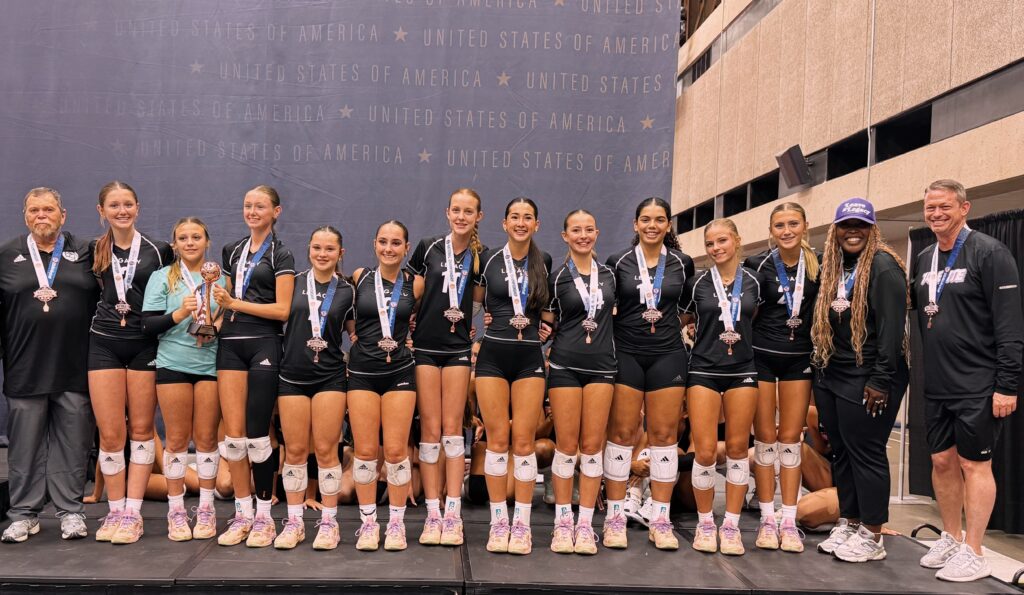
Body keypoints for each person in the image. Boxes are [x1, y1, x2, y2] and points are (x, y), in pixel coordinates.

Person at [911, 180, 1022, 582]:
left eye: (945, 206)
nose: (936, 213)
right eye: (930, 207)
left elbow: (1009, 324)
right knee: (941, 461)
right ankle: (952, 537)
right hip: (937, 382)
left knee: (974, 464)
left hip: (978, 382)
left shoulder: (990, 252)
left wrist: (1007, 384)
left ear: (964, 208)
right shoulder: (925, 257)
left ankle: (975, 551)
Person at [812, 197, 909, 563]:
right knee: (842, 451)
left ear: (872, 229)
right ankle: (850, 522)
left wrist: (881, 379)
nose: (853, 231)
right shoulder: (834, 265)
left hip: (869, 374)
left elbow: (891, 331)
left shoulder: (883, 266)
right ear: (835, 230)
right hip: (834, 371)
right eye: (846, 225)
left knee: (866, 453)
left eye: (861, 226)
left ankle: (872, 533)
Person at [1, 187, 99, 543]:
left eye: (48, 209)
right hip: (24, 367)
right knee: (24, 447)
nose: (41, 215)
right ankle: (23, 515)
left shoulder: (87, 252)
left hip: (75, 366)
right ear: (25, 216)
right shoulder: (6, 255)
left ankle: (70, 511)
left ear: (63, 215)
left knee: (73, 445)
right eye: (34, 210)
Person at [603, 197, 694, 550]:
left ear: (668, 225)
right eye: (645, 219)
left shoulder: (682, 263)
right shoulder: (618, 262)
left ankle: (660, 518)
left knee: (664, 436)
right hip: (626, 353)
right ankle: (614, 518)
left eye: (659, 220)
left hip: (667, 355)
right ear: (635, 224)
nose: (652, 225)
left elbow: (688, 309)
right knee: (622, 434)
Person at [87, 181, 173, 544]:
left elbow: (175, 292)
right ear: (101, 211)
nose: (121, 211)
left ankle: (133, 514)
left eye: (127, 204)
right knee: (110, 434)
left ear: (138, 208)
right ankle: (115, 509)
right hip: (104, 344)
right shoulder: (92, 250)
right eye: (114, 205)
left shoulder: (159, 250)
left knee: (141, 430)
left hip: (144, 344)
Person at [212, 186, 295, 547]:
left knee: (259, 436)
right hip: (231, 344)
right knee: (233, 439)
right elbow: (227, 298)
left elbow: (282, 310)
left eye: (260, 206)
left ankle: (264, 518)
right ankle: (243, 514)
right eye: (248, 205)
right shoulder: (232, 250)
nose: (252, 211)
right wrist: (212, 320)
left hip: (264, 343)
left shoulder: (281, 253)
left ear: (276, 211)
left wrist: (235, 303)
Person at [473, 198, 551, 555]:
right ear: (504, 223)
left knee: (523, 443)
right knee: (497, 441)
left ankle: (521, 524)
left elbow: (550, 309)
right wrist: (483, 319)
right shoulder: (488, 258)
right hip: (492, 357)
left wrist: (547, 326)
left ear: (536, 224)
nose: (521, 223)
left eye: (528, 217)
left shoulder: (544, 260)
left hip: (528, 359)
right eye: (515, 217)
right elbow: (474, 304)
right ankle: (498, 522)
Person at [407, 188, 484, 547]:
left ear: (478, 217)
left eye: (469, 211)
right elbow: (411, 294)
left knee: (453, 431)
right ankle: (432, 512)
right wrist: (405, 322)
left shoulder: (482, 256)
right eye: (456, 210)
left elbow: (483, 300)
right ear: (447, 212)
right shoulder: (428, 248)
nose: (461, 216)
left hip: (456, 349)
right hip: (424, 347)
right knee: (430, 431)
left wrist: (474, 323)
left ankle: (452, 512)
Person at [141, 217, 226, 541]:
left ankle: (206, 509)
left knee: (206, 440)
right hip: (173, 363)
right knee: (176, 441)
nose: (190, 243)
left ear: (207, 241)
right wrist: (179, 313)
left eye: (196, 237)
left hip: (209, 365)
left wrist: (218, 325)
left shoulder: (222, 278)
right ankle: (176, 510)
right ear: (174, 244)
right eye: (183, 238)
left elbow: (228, 317)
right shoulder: (162, 277)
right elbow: (147, 326)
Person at [683, 218, 762, 555]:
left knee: (737, 449)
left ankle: (730, 525)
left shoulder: (755, 281)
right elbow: (682, 320)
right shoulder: (697, 284)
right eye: (710, 243)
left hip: (742, 369)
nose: (716, 248)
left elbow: (757, 320)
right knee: (704, 451)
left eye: (722, 241)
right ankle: (705, 523)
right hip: (703, 368)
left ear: (737, 240)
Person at [744, 202, 820, 552]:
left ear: (805, 225)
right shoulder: (757, 264)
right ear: (771, 230)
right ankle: (766, 518)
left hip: (798, 360)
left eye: (793, 223)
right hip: (761, 358)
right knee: (764, 439)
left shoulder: (819, 264)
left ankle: (788, 520)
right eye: (779, 225)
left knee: (790, 440)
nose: (786, 231)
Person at [541, 209, 616, 555]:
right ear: (565, 236)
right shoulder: (556, 278)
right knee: (566, 446)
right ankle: (562, 522)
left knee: (592, 446)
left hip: (602, 367)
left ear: (597, 233)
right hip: (564, 366)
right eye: (576, 230)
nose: (583, 235)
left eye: (588, 229)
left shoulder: (611, 276)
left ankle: (585, 524)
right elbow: (545, 324)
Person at [274, 226, 354, 551]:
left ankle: (329, 524)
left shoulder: (348, 291)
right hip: (291, 376)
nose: (322, 254)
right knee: (294, 452)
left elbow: (358, 333)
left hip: (330, 377)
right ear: (308, 249)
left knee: (325, 451)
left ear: (340, 253)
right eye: (317, 247)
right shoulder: (292, 283)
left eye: (330, 249)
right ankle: (294, 523)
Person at [348, 220, 421, 552]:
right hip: (362, 372)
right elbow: (343, 312)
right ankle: (367, 524)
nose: (388, 248)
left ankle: (395, 524)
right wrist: (353, 332)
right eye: (383, 242)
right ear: (374, 244)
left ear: (406, 248)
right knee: (365, 452)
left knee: (395, 452)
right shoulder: (360, 277)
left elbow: (426, 319)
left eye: (395, 243)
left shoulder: (415, 283)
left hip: (400, 372)